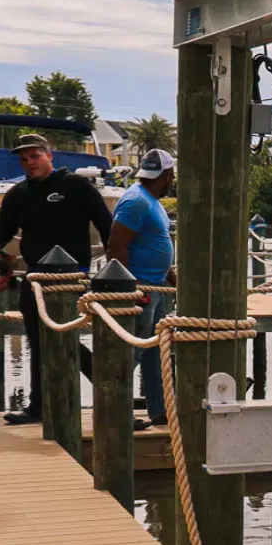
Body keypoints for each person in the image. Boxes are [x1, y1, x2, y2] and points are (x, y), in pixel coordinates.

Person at [0, 133, 111, 425]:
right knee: (38, 342)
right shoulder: (17, 194)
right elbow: (1, 231)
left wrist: (113, 269)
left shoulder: (75, 185)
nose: (30, 163)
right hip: (36, 279)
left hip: (73, 278)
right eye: (24, 159)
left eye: (35, 156)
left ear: (49, 156)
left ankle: (114, 398)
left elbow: (107, 226)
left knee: (65, 339)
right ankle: (39, 407)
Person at [108, 149, 177, 429]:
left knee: (155, 352)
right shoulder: (136, 201)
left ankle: (160, 411)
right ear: (166, 175)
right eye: (171, 175)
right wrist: (132, 291)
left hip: (156, 286)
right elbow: (116, 247)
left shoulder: (151, 200)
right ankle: (115, 411)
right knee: (132, 352)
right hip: (141, 289)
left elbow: (153, 243)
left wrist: (173, 280)